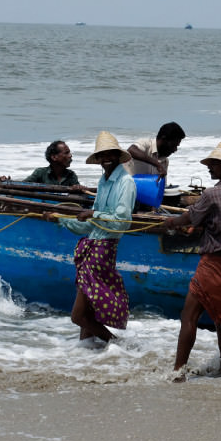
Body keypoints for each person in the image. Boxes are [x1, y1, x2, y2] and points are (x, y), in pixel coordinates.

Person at [160, 137, 221, 381]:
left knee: (189, 316)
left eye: (214, 163)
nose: (209, 167)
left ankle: (178, 371)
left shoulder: (213, 194)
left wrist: (170, 222)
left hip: (214, 265)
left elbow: (190, 217)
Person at [48, 132, 137, 344]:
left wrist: (93, 213)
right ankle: (86, 356)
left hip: (103, 252)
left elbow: (122, 222)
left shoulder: (126, 183)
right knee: (88, 316)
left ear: (117, 156)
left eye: (110, 154)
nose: (106, 158)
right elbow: (88, 226)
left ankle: (118, 344)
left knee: (78, 316)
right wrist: (60, 219)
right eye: (102, 155)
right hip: (91, 249)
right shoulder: (103, 181)